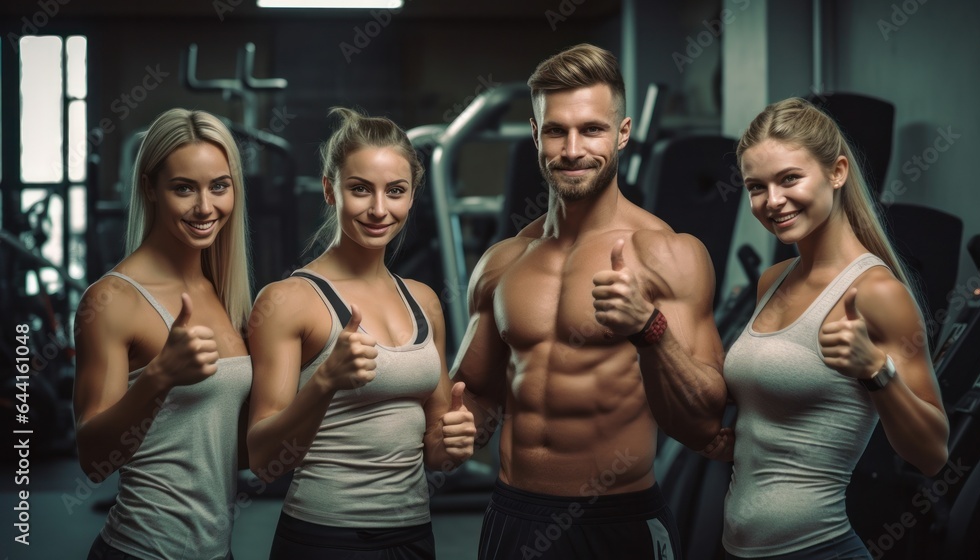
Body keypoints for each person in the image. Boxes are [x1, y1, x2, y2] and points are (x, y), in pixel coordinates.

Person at [451, 43, 728, 560]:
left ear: (622, 134)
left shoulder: (669, 254)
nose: (572, 150)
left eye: (592, 130)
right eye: (555, 130)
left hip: (617, 521)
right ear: (535, 135)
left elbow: (704, 421)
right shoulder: (502, 263)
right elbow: (478, 392)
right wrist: (452, 428)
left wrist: (650, 329)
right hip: (513, 515)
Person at [701, 97, 950, 560]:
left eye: (789, 178)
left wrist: (876, 370)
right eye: (757, 187)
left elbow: (933, 454)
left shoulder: (876, 292)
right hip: (737, 548)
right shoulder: (772, 282)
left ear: (836, 172)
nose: (772, 201)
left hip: (818, 549)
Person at [246, 107, 476, 560]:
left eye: (395, 191)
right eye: (360, 189)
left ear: (412, 196)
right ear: (331, 190)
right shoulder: (289, 300)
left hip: (413, 536)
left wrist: (454, 442)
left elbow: (434, 450)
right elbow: (264, 462)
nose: (378, 209)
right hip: (325, 540)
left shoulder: (425, 300)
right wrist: (325, 382)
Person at [73, 108, 253, 559]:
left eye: (219, 186)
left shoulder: (224, 293)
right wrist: (159, 376)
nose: (205, 207)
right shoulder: (113, 300)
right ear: (150, 189)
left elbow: (235, 452)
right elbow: (95, 463)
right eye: (183, 188)